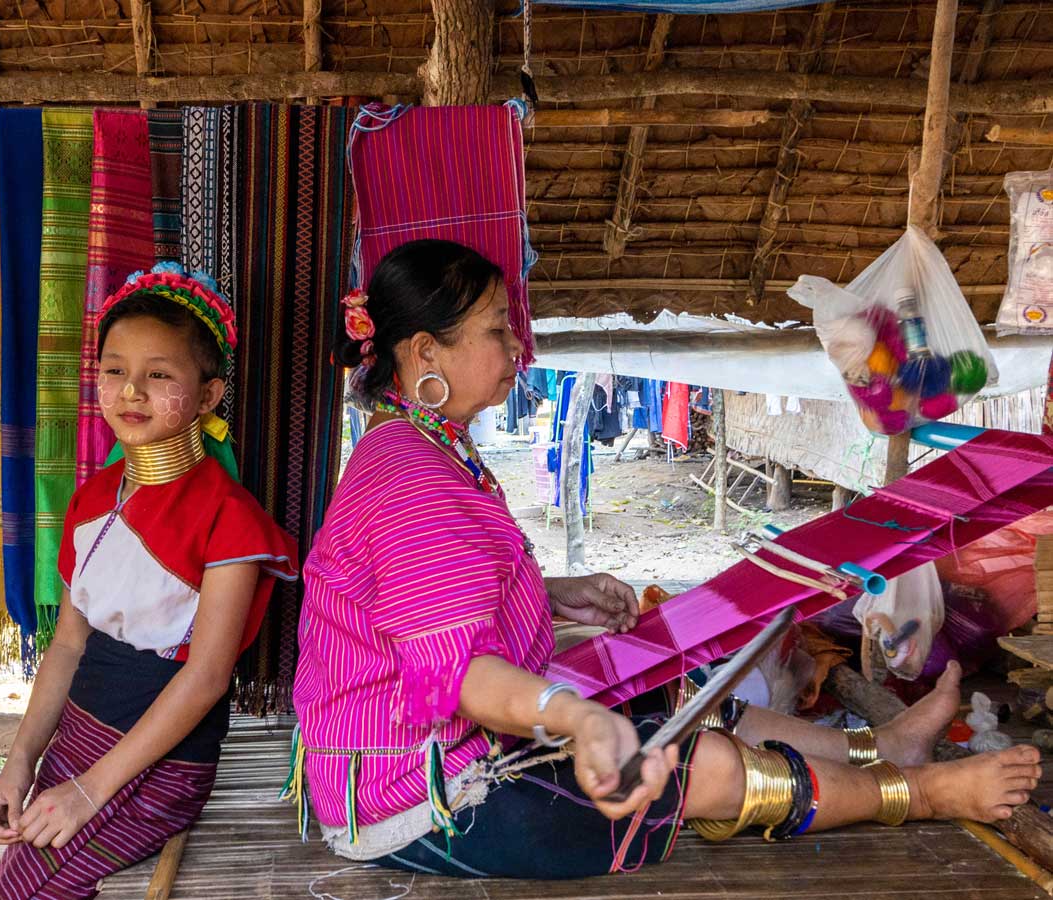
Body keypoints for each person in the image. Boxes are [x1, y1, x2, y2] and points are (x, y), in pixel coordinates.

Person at [290, 238, 1042, 880]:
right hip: (424, 801)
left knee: (657, 692)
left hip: (445, 752)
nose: (517, 345)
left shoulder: (425, 448)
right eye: (495, 329)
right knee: (698, 765)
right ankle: (923, 789)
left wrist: (553, 592)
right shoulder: (412, 479)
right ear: (425, 351)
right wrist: (577, 721)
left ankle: (877, 742)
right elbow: (453, 677)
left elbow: (423, 604)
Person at [0, 264, 298, 899]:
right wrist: (20, 765)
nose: (132, 390)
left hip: (160, 763)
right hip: (80, 737)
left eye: (158, 375)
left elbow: (206, 677)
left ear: (207, 397)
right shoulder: (91, 498)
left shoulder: (229, 519)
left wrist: (88, 793)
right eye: (116, 370)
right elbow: (69, 646)